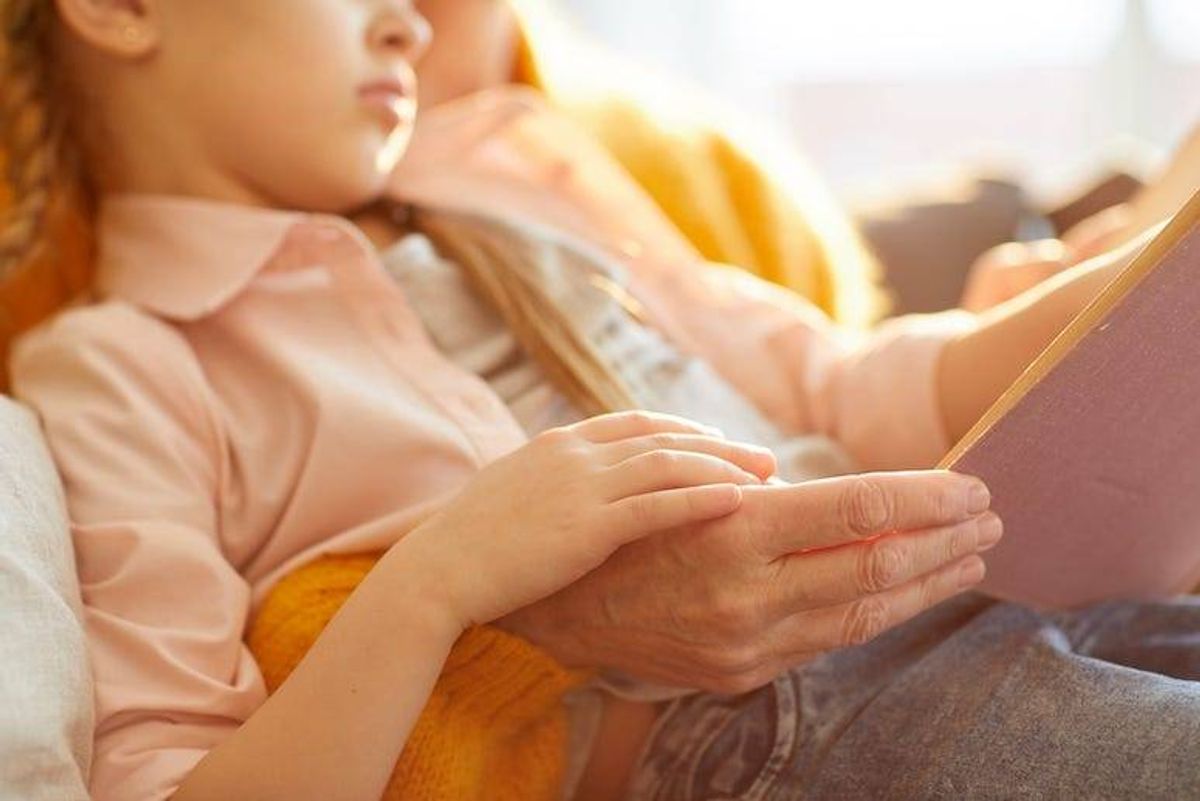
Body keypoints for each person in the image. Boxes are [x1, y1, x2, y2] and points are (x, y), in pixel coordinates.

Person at [3, 2, 1199, 801]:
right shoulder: (118, 364)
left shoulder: (516, 184)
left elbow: (842, 382)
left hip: (989, 597)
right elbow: (173, 779)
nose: (411, 20)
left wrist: (1151, 273)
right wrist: (438, 579)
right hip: (744, 728)